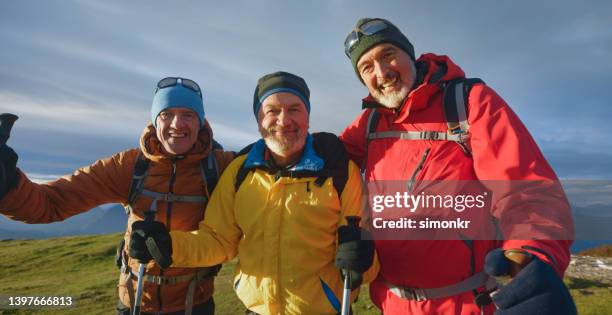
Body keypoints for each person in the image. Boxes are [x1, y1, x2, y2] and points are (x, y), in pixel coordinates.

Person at [339, 18, 576, 314]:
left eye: (388, 55)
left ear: (409, 54)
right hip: (392, 305)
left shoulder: (469, 103)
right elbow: (324, 162)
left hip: (466, 305)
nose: (382, 72)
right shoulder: (370, 124)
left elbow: (526, 190)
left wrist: (533, 253)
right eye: (367, 68)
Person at [128, 71, 378, 315]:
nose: (284, 120)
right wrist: (168, 245)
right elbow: (218, 240)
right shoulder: (240, 171)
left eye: (294, 109)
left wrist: (364, 258)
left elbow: (360, 249)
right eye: (272, 111)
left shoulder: (339, 169)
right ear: (259, 120)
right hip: (257, 310)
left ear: (307, 117)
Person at [0, 77, 235, 315]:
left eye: (188, 114)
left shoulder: (222, 168)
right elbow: (52, 203)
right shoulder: (129, 167)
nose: (177, 123)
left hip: (195, 304)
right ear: (155, 120)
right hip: (135, 301)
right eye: (166, 114)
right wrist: (8, 184)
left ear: (200, 122)